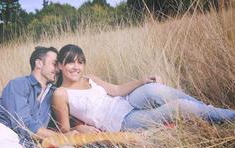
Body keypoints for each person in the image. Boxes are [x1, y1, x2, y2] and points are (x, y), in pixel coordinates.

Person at [52, 44, 235, 133]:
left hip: (126, 101)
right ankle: (228, 116)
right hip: (122, 121)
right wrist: (81, 129)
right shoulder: (60, 94)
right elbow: (65, 130)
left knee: (153, 88)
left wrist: (142, 80)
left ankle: (210, 111)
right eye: (70, 62)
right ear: (60, 65)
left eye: (80, 62)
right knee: (180, 106)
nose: (76, 67)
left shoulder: (89, 78)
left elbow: (115, 90)